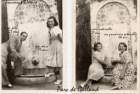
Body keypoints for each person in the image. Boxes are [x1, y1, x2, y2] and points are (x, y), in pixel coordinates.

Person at [45, 16, 63, 85]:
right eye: (49, 21)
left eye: (52, 21)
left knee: (57, 64)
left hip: (57, 46)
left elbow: (61, 39)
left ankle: (59, 79)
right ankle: (54, 76)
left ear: (54, 22)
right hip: (52, 47)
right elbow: (50, 39)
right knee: (53, 63)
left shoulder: (56, 29)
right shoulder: (50, 29)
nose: (50, 23)